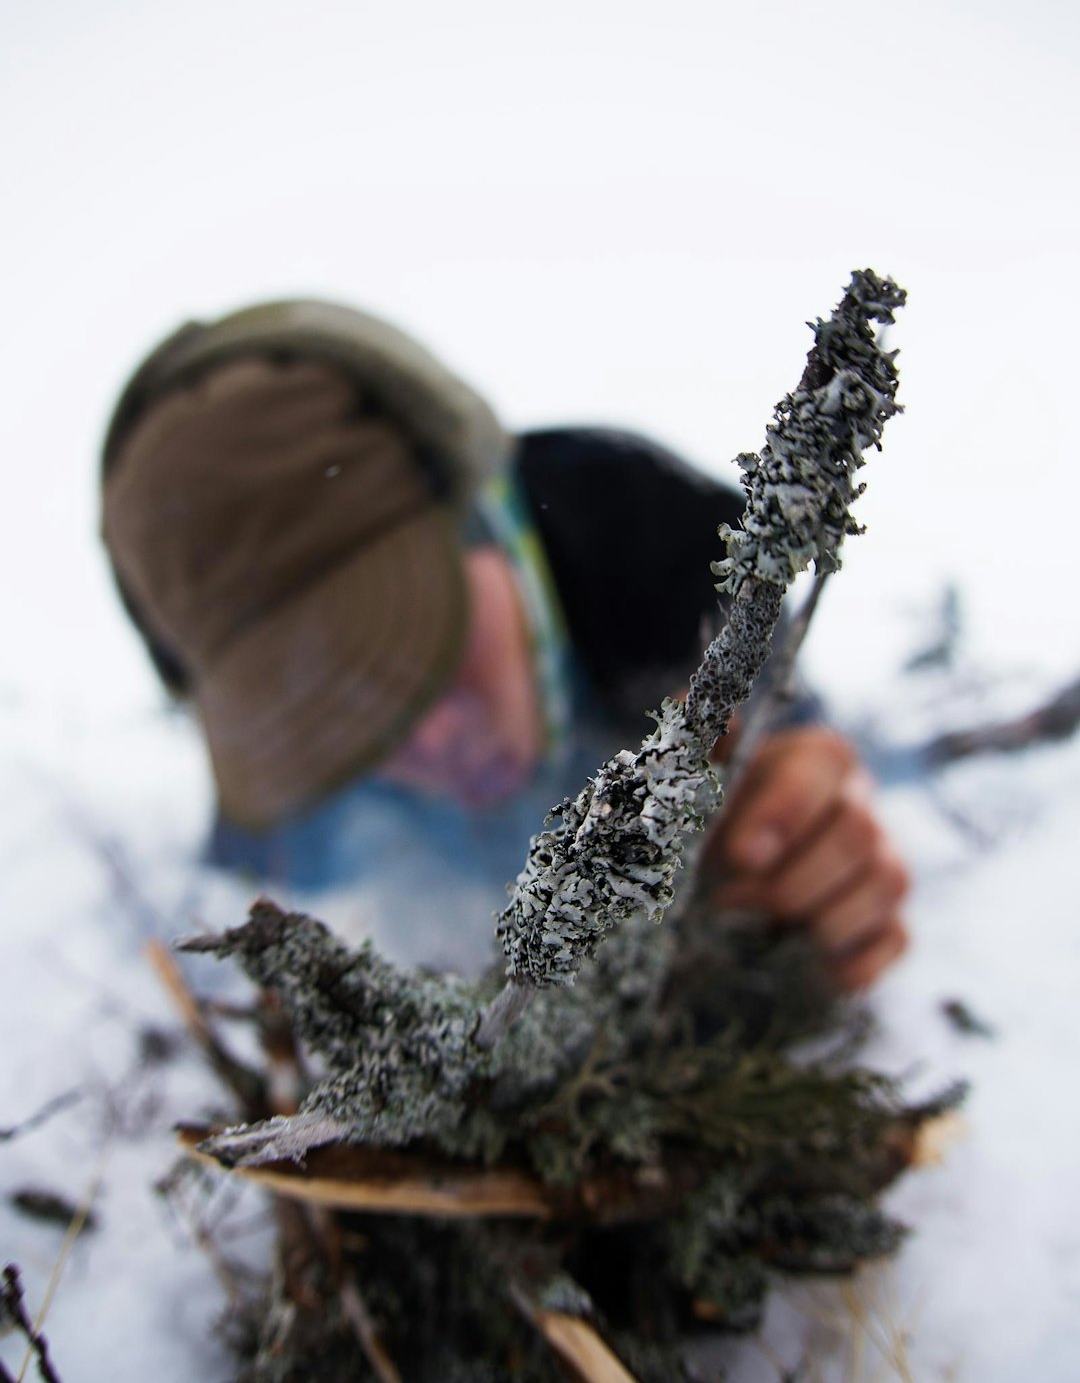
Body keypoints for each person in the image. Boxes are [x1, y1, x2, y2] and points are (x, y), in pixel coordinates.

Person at [100, 298, 909, 987]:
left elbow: (778, 708)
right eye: (331, 720)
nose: (432, 736)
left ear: (487, 505)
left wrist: (796, 809)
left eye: (419, 644)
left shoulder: (646, 535)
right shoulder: (287, 825)